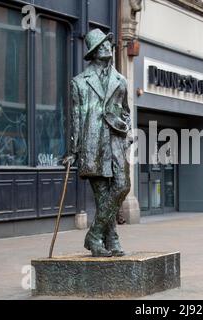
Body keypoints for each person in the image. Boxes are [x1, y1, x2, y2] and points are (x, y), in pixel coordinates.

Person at [63, 29, 132, 257]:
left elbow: (126, 112)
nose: (106, 47)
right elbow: (75, 117)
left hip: (116, 142)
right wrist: (73, 150)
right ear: (93, 53)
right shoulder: (79, 83)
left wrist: (126, 130)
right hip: (92, 144)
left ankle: (94, 235)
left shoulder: (120, 80)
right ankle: (110, 239)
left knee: (122, 185)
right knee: (103, 195)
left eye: (107, 43)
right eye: (100, 45)